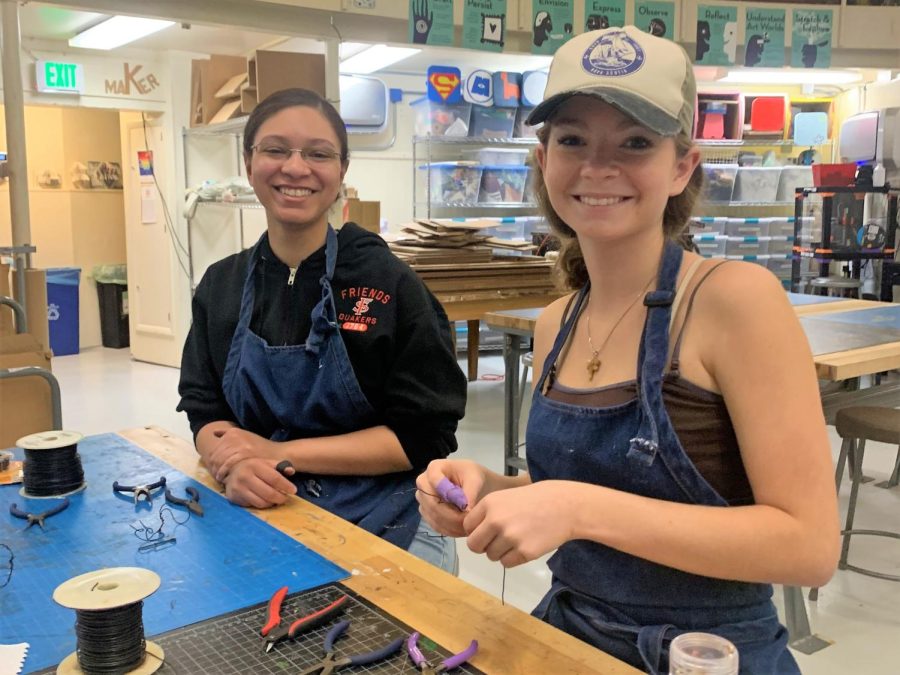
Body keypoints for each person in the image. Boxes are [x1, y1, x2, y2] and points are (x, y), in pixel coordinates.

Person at [417, 26, 839, 672]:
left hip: (704, 657)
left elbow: (808, 544)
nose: (597, 166)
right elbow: (587, 486)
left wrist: (573, 508)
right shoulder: (559, 319)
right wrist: (495, 492)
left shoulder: (734, 302)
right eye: (573, 139)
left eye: (635, 141)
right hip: (567, 637)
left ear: (682, 166)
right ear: (543, 160)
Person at [178, 88, 467, 573]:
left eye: (318, 153)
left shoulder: (390, 283)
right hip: (266, 512)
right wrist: (233, 463)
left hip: (386, 522)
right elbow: (205, 409)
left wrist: (277, 451)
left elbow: (423, 436)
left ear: (341, 172)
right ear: (249, 164)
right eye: (275, 149)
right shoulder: (221, 286)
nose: (296, 167)